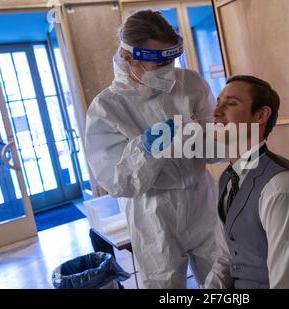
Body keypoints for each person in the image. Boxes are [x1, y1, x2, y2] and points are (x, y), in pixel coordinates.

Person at [85, 10, 218, 288]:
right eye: (159, 64)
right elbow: (117, 182)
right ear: (129, 57)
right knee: (164, 287)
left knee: (222, 279)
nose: (169, 70)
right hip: (153, 213)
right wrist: (146, 148)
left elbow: (215, 148)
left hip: (202, 198)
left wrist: (215, 137)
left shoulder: (190, 83)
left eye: (172, 60)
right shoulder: (107, 108)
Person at [204, 75, 289, 289]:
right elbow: (225, 258)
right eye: (218, 103)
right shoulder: (227, 179)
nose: (216, 112)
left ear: (260, 115)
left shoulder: (283, 189)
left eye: (231, 103)